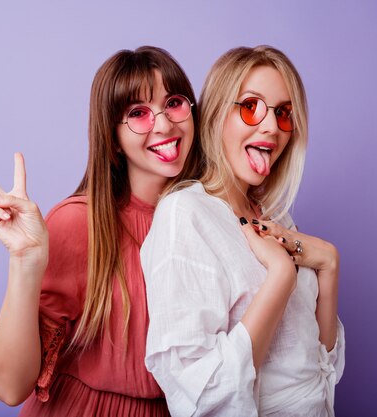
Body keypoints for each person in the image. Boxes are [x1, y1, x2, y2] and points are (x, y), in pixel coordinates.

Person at [0, 46, 200, 416]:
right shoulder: (79, 223)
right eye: (137, 113)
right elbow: (9, 387)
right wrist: (25, 261)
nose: (164, 124)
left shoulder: (208, 221)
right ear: (113, 138)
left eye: (173, 103)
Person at [141, 45, 345, 417]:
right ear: (217, 114)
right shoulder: (185, 213)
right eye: (251, 107)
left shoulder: (275, 220)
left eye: (284, 113)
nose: (271, 127)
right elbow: (199, 393)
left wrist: (329, 265)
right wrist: (281, 277)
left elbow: (320, 366)